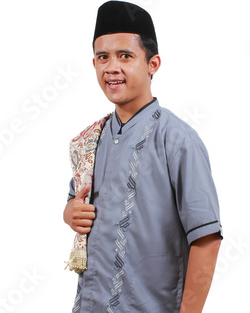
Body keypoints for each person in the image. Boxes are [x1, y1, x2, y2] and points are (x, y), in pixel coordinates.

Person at [63, 1, 222, 312]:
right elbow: (74, 203)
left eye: (125, 56)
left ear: (153, 64)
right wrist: (70, 212)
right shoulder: (91, 139)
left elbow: (206, 238)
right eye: (102, 57)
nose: (111, 67)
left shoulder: (177, 140)